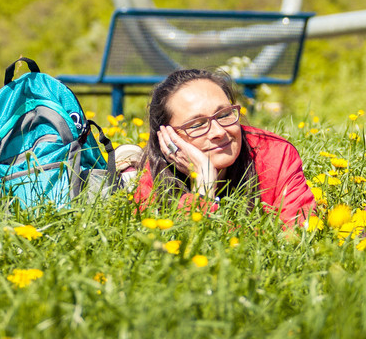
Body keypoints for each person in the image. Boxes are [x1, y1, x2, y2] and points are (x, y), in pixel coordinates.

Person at [133, 68, 315, 226]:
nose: (219, 131)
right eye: (197, 124)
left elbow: (298, 234)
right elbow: (182, 247)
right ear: (168, 138)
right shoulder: (153, 176)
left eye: (224, 114)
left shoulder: (275, 155)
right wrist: (203, 185)